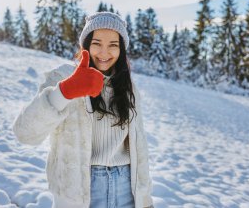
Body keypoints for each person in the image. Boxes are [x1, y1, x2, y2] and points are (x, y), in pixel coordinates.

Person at [13, 11, 154, 208]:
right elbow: (25, 133)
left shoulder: (127, 87)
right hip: (80, 191)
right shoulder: (63, 76)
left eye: (113, 45)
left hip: (126, 189)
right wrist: (64, 92)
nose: (104, 53)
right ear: (86, 45)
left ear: (121, 50)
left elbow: (139, 148)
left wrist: (145, 200)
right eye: (97, 43)